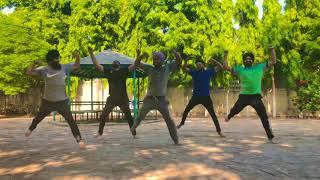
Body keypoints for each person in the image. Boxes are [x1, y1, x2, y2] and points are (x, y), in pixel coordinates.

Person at [25, 49, 86, 148]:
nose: (57, 61)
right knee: (39, 117)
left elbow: (76, 66)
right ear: (49, 61)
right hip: (48, 101)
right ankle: (31, 128)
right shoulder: (44, 69)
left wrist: (77, 56)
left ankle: (79, 140)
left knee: (71, 121)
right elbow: (29, 73)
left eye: (58, 59)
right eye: (55, 60)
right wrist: (33, 64)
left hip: (62, 101)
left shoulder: (64, 67)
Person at [219, 46, 276, 143]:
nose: (248, 60)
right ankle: (229, 116)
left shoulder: (259, 67)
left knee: (264, 116)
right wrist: (225, 55)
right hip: (244, 96)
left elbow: (273, 61)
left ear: (252, 60)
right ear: (244, 61)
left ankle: (270, 136)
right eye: (246, 59)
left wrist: (271, 50)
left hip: (255, 96)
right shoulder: (240, 69)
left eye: (250, 59)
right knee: (235, 109)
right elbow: (225, 67)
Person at [88, 47, 145, 138]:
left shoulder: (121, 71)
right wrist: (91, 53)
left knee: (128, 117)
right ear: (116, 66)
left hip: (121, 99)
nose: (115, 67)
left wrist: (138, 55)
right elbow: (97, 66)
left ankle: (133, 134)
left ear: (115, 66)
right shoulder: (114, 71)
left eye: (115, 66)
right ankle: (100, 133)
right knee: (104, 116)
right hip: (113, 99)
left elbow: (135, 65)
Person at [130, 50, 182, 144]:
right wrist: (141, 56)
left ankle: (176, 139)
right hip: (149, 99)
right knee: (140, 116)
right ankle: (133, 128)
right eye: (154, 60)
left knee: (169, 121)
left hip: (162, 100)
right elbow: (137, 63)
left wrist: (175, 53)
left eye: (158, 59)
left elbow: (179, 60)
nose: (156, 61)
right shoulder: (149, 68)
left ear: (162, 60)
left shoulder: (167, 67)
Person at [176, 57, 225, 137]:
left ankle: (219, 131)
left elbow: (221, 67)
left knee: (213, 115)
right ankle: (181, 123)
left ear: (203, 65)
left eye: (200, 64)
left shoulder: (209, 72)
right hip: (195, 97)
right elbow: (184, 68)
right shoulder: (194, 72)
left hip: (206, 97)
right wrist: (186, 60)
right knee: (186, 110)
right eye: (197, 64)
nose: (198, 65)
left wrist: (214, 60)